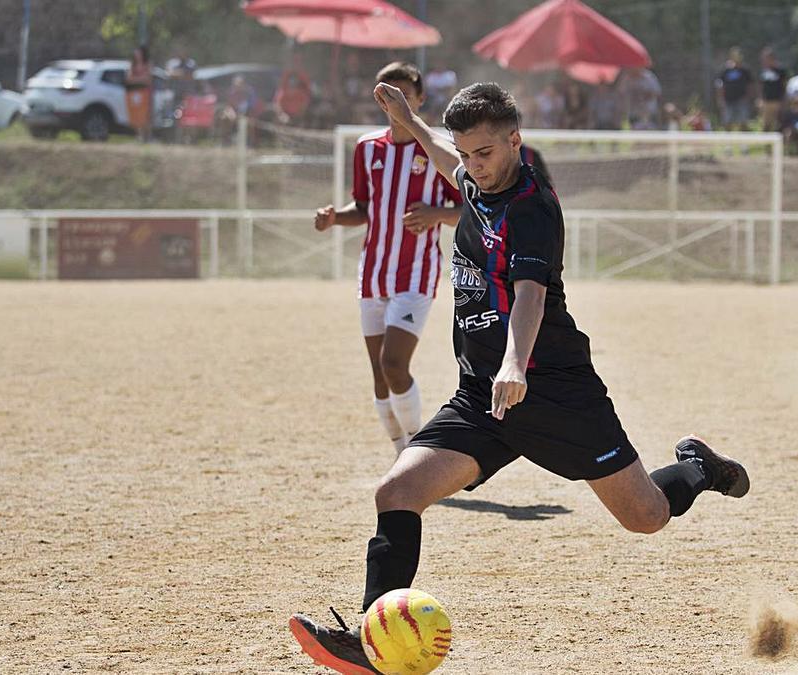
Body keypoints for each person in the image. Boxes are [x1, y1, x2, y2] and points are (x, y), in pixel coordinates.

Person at [289, 81, 750, 673]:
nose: (472, 166)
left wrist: (514, 364)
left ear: (515, 140)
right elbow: (440, 149)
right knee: (397, 492)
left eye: (484, 153)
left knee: (647, 517)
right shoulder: (472, 175)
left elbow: (530, 298)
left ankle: (698, 468)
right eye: (467, 154)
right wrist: (408, 118)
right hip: (484, 396)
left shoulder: (532, 209)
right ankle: (371, 639)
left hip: (553, 390)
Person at [312, 62, 462, 456]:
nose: (394, 106)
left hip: (416, 273)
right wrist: (334, 219)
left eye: (403, 98)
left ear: (419, 100)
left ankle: (417, 450)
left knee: (394, 364)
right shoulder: (367, 147)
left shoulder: (437, 148)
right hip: (373, 275)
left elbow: (469, 208)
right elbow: (363, 208)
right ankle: (400, 449)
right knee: (380, 376)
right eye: (387, 98)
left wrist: (436, 214)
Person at [716, 48, 754, 131]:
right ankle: (728, 142)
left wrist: (748, 97)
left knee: (743, 122)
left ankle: (744, 143)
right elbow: (720, 85)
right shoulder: (725, 70)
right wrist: (720, 99)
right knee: (727, 122)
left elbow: (750, 85)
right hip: (728, 100)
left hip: (742, 100)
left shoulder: (745, 70)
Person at [125, 45, 154, 142]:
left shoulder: (147, 64)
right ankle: (139, 136)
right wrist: (141, 79)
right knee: (136, 115)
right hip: (134, 93)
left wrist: (136, 79)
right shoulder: (132, 65)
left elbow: (148, 79)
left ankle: (147, 137)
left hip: (145, 93)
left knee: (145, 115)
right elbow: (128, 79)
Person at [758, 47, 787, 133]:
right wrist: (760, 99)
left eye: (767, 58)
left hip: (777, 101)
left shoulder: (780, 70)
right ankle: (765, 144)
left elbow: (784, 85)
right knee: (766, 124)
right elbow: (761, 86)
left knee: (778, 123)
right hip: (766, 101)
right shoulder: (763, 71)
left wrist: (784, 100)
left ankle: (779, 144)